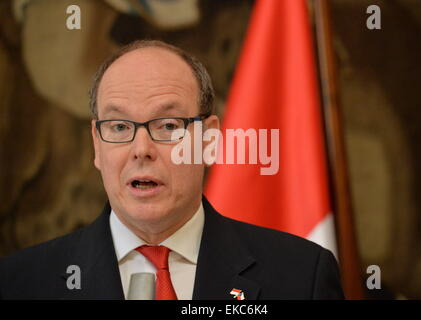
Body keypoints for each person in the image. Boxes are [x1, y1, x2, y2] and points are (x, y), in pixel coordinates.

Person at [0, 40, 344, 300]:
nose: (141, 150)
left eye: (167, 126)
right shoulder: (20, 282)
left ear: (208, 140)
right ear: (96, 145)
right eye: (119, 127)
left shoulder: (301, 276)